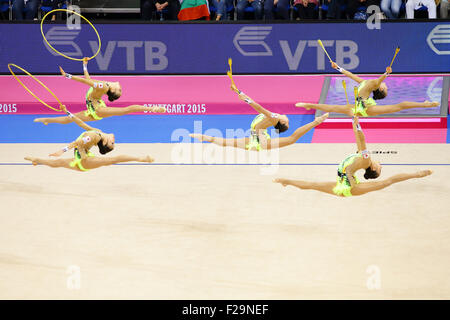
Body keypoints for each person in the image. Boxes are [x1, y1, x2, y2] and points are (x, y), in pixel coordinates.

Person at [274, 116, 432, 196]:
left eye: (380, 168)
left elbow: (362, 140)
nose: (381, 165)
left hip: (349, 186)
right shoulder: (363, 160)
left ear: (374, 169)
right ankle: (286, 181)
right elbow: (359, 142)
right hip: (345, 184)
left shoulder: (366, 159)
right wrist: (354, 125)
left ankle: (417, 174)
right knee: (312, 185)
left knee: (387, 183)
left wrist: (357, 125)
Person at [190, 84, 329, 151]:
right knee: (227, 142)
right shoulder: (274, 119)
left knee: (292, 139)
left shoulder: (274, 118)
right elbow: (257, 106)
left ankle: (317, 121)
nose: (288, 118)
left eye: (287, 121)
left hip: (259, 139)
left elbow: (259, 107)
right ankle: (205, 137)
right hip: (257, 137)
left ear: (281, 122)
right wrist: (238, 91)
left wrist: (245, 98)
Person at [34, 58, 166, 125]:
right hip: (93, 108)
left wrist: (67, 76)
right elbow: (88, 79)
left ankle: (153, 108)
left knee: (125, 110)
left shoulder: (103, 86)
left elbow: (86, 82)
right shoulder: (103, 87)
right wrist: (84, 65)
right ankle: (47, 120)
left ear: (112, 90)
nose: (120, 86)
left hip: (97, 109)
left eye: (119, 90)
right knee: (70, 119)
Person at [26, 106, 154, 171]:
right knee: (57, 163)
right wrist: (68, 112)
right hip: (81, 159)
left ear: (105, 142)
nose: (114, 138)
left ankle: (140, 158)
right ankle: (37, 159)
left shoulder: (94, 136)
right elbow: (81, 123)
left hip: (84, 159)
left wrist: (63, 150)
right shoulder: (97, 132)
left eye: (112, 143)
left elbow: (79, 142)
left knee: (111, 160)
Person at [295, 60, 439, 117]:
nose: (385, 86)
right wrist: (337, 67)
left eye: (385, 88)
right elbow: (350, 75)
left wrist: (386, 73)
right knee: (332, 108)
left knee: (399, 106)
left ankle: (425, 104)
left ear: (379, 89)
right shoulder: (366, 83)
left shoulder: (373, 84)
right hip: (360, 106)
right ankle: (309, 105)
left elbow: (380, 80)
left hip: (365, 108)